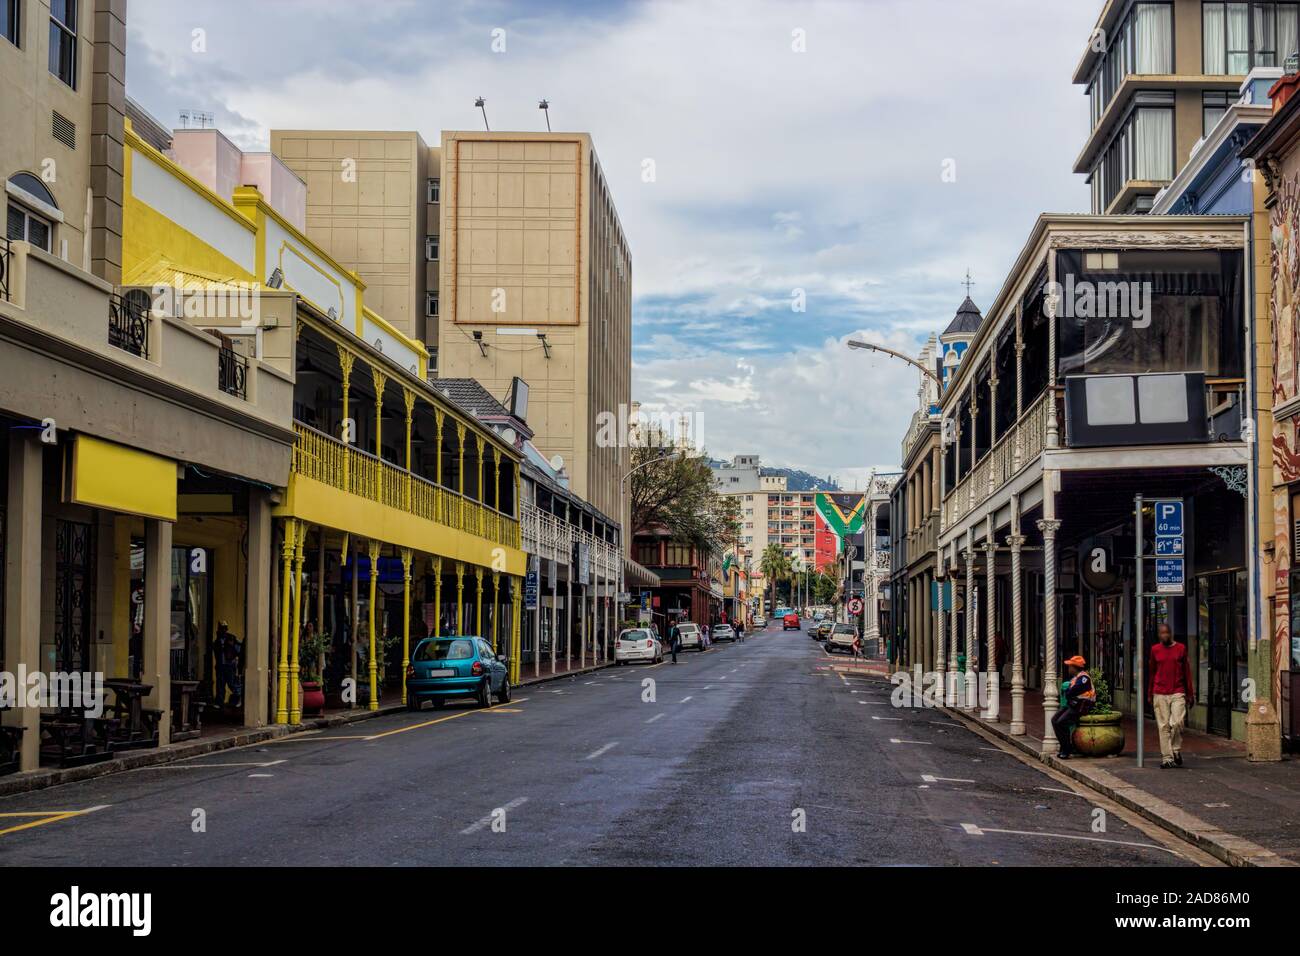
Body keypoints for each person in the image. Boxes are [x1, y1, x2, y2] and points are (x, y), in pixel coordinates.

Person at [1148, 623, 1195, 769]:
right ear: (1159, 635)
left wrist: (1190, 693)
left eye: (1167, 633)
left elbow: (1187, 671)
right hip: (1160, 692)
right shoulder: (1155, 650)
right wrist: (1150, 693)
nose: (1165, 636)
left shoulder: (1181, 648)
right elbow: (1152, 672)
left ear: (1171, 633)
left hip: (1178, 690)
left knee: (1177, 722)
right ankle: (1167, 758)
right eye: (1162, 633)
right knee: (1163, 726)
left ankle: (1175, 750)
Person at [1052, 655, 1095, 758]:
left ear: (1075, 667)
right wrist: (1069, 692)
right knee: (1054, 720)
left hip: (1082, 705)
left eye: (1070, 666)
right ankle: (1064, 747)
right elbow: (1068, 693)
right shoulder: (1076, 678)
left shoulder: (1083, 678)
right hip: (1073, 704)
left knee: (1062, 722)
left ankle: (1067, 750)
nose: (1068, 668)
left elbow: (1071, 691)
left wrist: (1069, 692)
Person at [212, 620, 244, 709]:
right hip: (221, 665)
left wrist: (235, 660)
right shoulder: (217, 641)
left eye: (224, 628)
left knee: (232, 683)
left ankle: (239, 698)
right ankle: (219, 702)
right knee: (220, 685)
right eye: (221, 629)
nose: (222, 631)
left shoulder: (232, 638)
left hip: (230, 665)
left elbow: (239, 649)